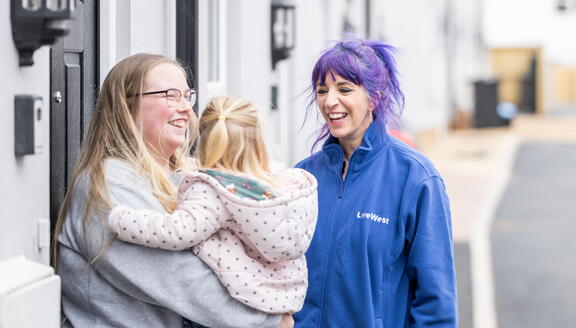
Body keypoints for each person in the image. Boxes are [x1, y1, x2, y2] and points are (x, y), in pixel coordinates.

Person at [54, 53, 291, 328]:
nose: (187, 110)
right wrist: (267, 320)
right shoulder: (107, 184)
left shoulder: (191, 175)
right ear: (126, 105)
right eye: (170, 95)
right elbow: (179, 277)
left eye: (186, 96)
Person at [293, 39, 457, 327]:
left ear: (374, 98)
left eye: (344, 89)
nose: (330, 101)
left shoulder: (415, 178)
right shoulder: (303, 179)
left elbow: (436, 302)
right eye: (322, 90)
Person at [107, 96, 318, 315]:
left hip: (240, 301)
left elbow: (176, 231)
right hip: (283, 300)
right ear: (258, 143)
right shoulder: (282, 189)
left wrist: (120, 218)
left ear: (206, 142)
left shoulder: (214, 192)